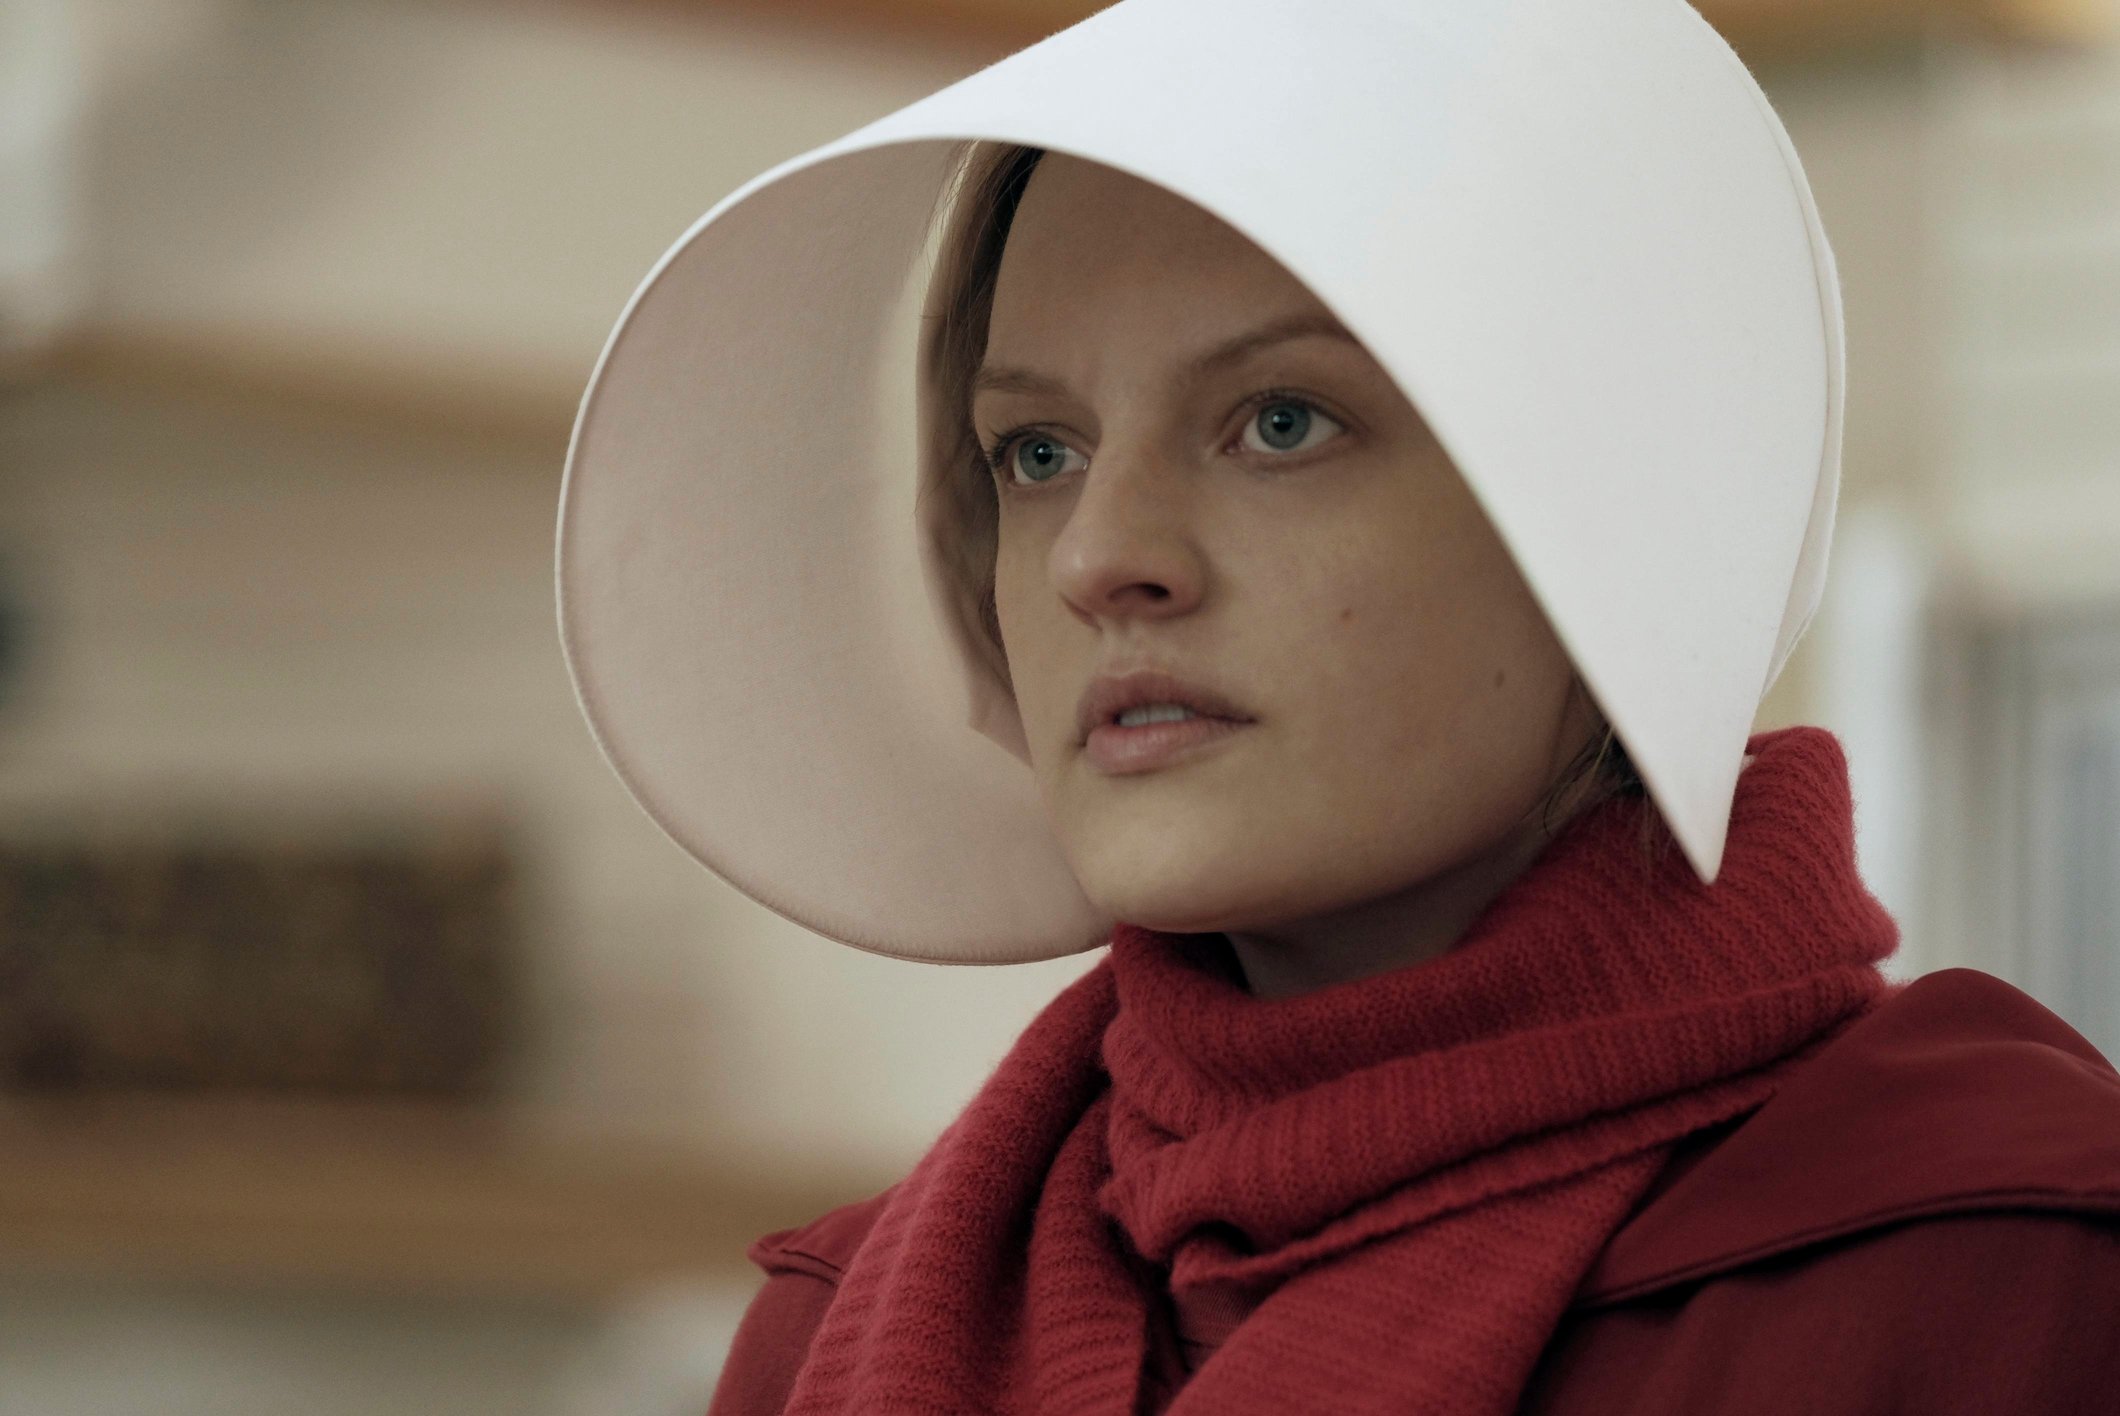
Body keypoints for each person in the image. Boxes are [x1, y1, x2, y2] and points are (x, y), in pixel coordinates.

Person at [553, 2, 2120, 1411]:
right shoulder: (826, 1345)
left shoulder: (1997, 1274)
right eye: (1038, 452)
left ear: (1626, 511)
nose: (1103, 558)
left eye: (1280, 422)